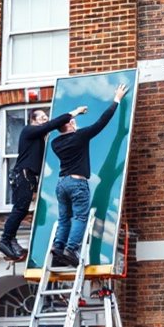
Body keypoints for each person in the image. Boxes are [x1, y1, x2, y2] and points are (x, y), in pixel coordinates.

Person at [49, 83, 129, 267]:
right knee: (80, 217)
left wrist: (73, 114)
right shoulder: (79, 136)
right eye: (72, 121)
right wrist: (116, 99)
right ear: (69, 124)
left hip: (61, 184)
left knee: (64, 218)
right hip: (77, 183)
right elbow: (102, 122)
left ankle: (58, 246)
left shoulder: (56, 144)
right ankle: (71, 248)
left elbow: (63, 123)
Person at [0, 104, 88, 260]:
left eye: (46, 118)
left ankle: (10, 239)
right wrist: (75, 113)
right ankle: (5, 239)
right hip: (23, 175)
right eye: (42, 118)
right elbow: (52, 125)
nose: (46, 121)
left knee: (22, 209)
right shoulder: (28, 130)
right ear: (33, 120)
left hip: (28, 177)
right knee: (20, 209)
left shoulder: (36, 137)